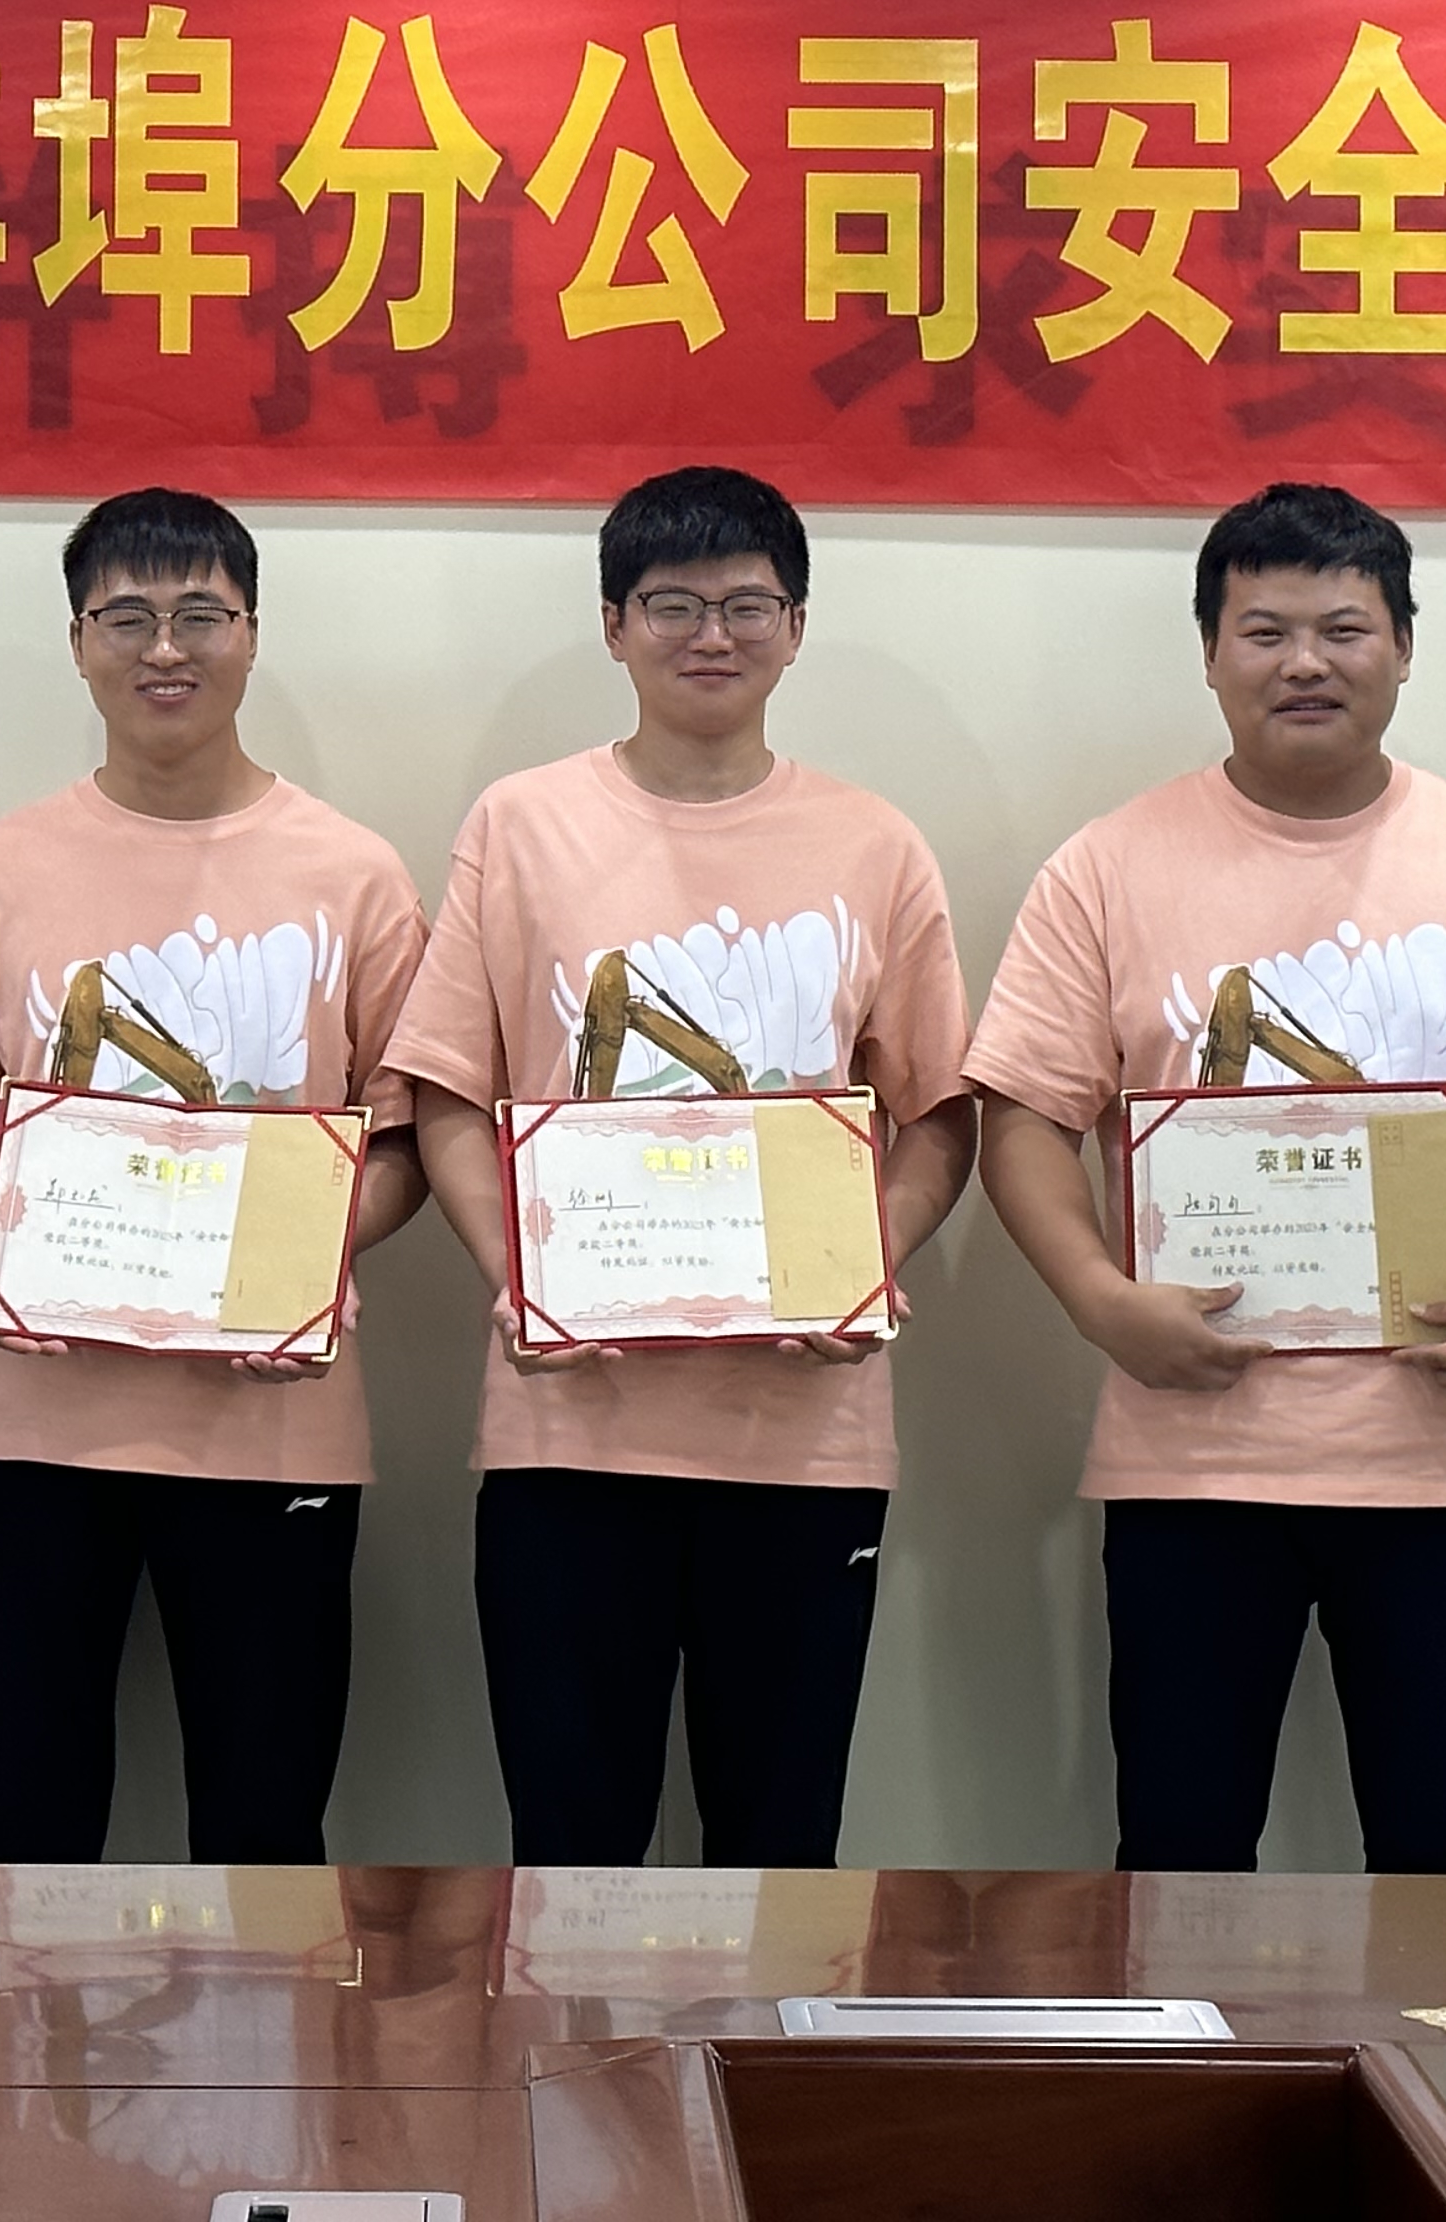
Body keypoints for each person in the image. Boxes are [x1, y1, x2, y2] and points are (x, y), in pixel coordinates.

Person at [966, 481, 1446, 1876]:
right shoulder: (1108, 865)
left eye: (1343, 630)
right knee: (1179, 1853)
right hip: (1191, 1457)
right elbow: (1024, 1116)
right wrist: (1102, 1301)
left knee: (1443, 1856)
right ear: (1210, 654)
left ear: (1402, 646)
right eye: (1265, 631)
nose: (1305, 663)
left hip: (1442, 1461)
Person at [387, 465, 976, 1867]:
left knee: (780, 1851)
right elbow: (450, 1093)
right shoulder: (521, 825)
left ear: (796, 626)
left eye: (746, 606)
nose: (712, 635)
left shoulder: (875, 842)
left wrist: (864, 1264)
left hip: (805, 1438)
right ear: (614, 625)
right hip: (569, 1430)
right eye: (672, 605)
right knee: (572, 1845)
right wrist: (521, 1278)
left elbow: (941, 1112)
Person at [0, 489, 430, 1862]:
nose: (164, 648)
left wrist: (315, 1249)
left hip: (274, 1424)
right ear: (78, 642)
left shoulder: (354, 873)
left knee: (265, 1832)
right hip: (32, 1427)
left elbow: (406, 1138)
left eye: (201, 614)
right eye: (126, 616)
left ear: (252, 634)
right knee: (26, 1829)